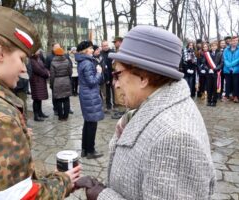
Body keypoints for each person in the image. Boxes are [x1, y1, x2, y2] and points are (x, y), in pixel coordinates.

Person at [0, 5, 80, 199]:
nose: (22, 69)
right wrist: (64, 181)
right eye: (21, 59)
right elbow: (20, 196)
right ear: (1, 53)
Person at [75, 25, 215, 199]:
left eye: (117, 74)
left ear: (143, 78)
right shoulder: (151, 107)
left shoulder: (175, 139)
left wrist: (102, 195)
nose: (115, 83)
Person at [75, 41, 104, 159]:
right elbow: (92, 82)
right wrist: (99, 72)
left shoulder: (83, 61)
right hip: (90, 95)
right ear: (85, 50)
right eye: (91, 48)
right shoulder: (87, 63)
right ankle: (90, 151)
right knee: (92, 123)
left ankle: (84, 150)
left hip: (86, 94)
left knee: (88, 122)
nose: (93, 50)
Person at [50, 47, 72, 121]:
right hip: (66, 81)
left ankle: (60, 116)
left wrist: (51, 84)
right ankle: (66, 116)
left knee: (59, 100)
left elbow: (52, 75)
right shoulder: (67, 61)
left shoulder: (53, 62)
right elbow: (70, 72)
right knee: (66, 99)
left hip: (57, 82)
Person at [30, 50, 49, 122]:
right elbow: (38, 70)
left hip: (40, 81)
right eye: (37, 51)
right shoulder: (32, 60)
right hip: (36, 81)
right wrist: (46, 74)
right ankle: (36, 115)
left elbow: (43, 67)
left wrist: (46, 71)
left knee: (39, 98)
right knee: (36, 99)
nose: (39, 52)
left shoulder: (39, 58)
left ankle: (40, 112)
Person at [201, 42, 221, 106]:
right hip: (208, 73)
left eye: (214, 46)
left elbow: (222, 63)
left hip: (216, 73)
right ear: (210, 47)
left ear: (216, 47)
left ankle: (214, 101)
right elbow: (204, 63)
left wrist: (215, 69)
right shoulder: (207, 54)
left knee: (215, 87)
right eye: (212, 46)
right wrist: (208, 69)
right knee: (209, 87)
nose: (213, 47)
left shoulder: (220, 54)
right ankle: (209, 101)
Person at [111, 36, 126, 119]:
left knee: (120, 93)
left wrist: (115, 78)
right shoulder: (118, 51)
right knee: (117, 93)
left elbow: (119, 66)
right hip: (117, 74)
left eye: (115, 42)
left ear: (120, 42)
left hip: (120, 75)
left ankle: (122, 111)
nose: (114, 43)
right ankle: (120, 109)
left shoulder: (122, 51)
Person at [223, 36, 239, 103]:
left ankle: (236, 96)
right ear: (231, 42)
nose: (234, 42)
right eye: (233, 41)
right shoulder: (226, 50)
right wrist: (229, 66)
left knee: (236, 83)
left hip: (236, 70)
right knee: (228, 83)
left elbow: (238, 60)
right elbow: (225, 59)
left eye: (236, 40)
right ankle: (227, 96)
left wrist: (231, 65)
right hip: (227, 69)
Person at [100, 40, 115, 112]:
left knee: (114, 91)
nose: (105, 47)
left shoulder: (113, 52)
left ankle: (116, 104)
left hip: (113, 75)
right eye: (104, 46)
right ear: (102, 46)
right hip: (105, 75)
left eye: (106, 45)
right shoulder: (100, 54)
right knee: (107, 91)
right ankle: (108, 105)